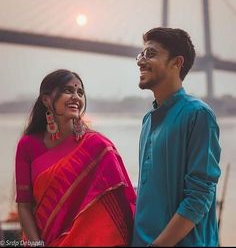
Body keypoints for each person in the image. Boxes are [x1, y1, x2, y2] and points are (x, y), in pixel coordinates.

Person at [15, 69, 136, 247]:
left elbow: (121, 203)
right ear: (46, 99)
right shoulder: (28, 146)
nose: (76, 97)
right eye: (68, 90)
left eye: (80, 92)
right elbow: (24, 205)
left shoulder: (97, 146)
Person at [132, 27, 221, 247]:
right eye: (141, 55)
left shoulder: (198, 115)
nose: (141, 61)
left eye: (150, 54)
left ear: (177, 62)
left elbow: (199, 197)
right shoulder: (148, 120)